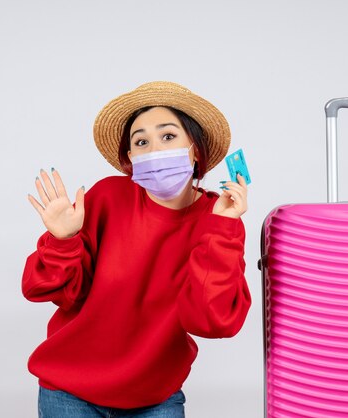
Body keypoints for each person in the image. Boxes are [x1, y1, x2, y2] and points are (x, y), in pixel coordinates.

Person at [22, 81, 251, 417]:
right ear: (131, 158)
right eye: (141, 142)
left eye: (168, 136)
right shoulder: (107, 198)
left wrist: (223, 228)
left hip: (155, 399)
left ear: (196, 150)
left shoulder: (217, 220)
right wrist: (62, 240)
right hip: (69, 394)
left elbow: (212, 322)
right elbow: (51, 291)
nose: (155, 150)